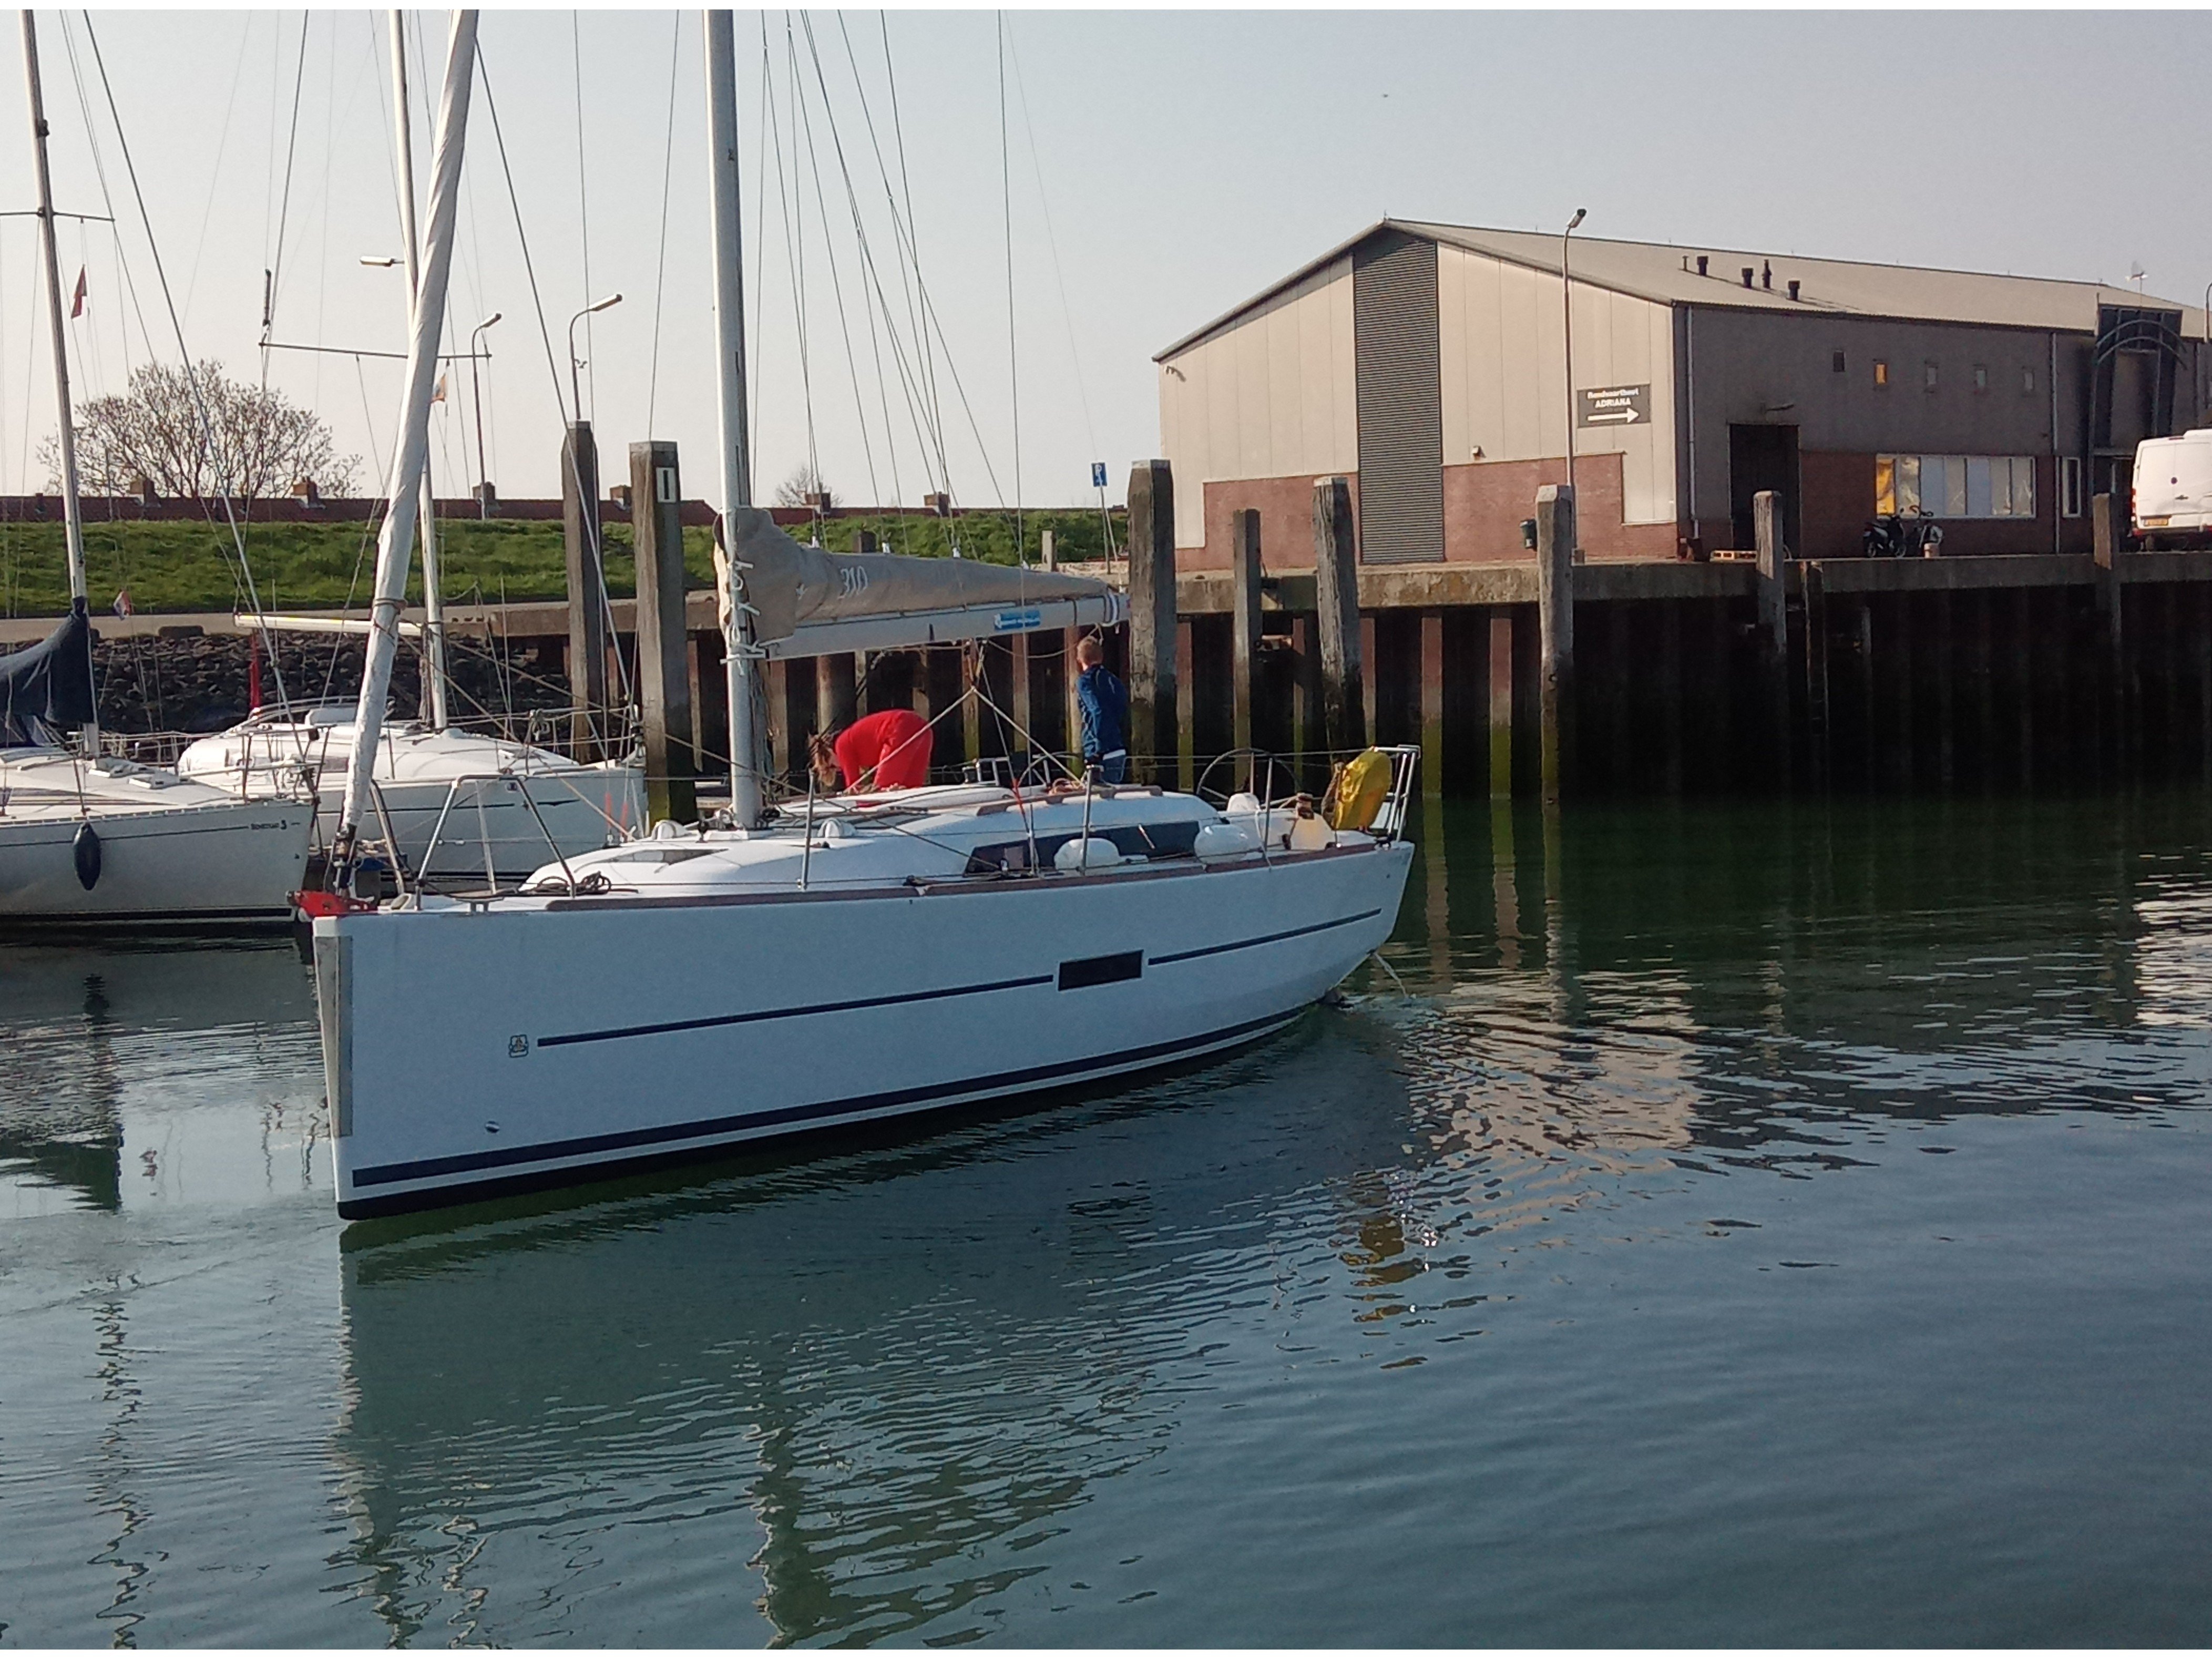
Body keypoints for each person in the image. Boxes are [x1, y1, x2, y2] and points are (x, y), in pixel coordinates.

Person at [808, 707, 932, 793]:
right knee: (911, 789)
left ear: (830, 752)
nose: (839, 769)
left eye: (833, 766)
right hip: (922, 727)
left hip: (898, 729)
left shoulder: (841, 745)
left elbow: (854, 788)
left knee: (880, 794)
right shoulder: (852, 740)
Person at [1074, 634, 1129, 785]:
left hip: (1099, 753)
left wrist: (1098, 749)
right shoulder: (1114, 680)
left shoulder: (1085, 682)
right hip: (1118, 749)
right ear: (1101, 657)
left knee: (1097, 796)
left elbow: (1097, 710)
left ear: (1080, 660)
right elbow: (1122, 707)